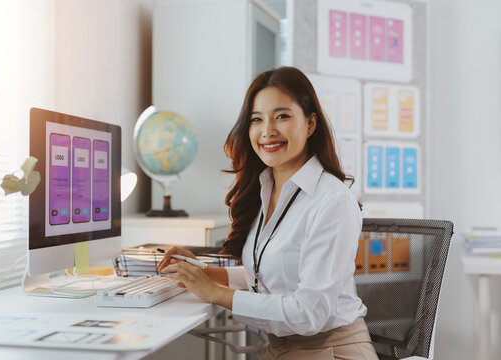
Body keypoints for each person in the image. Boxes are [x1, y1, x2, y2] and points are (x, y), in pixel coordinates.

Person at [157, 66, 378, 360]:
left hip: (331, 351)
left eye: (282, 116)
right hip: (278, 350)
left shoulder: (332, 200)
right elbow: (271, 274)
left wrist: (216, 294)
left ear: (310, 123)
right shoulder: (267, 189)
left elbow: (309, 313)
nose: (267, 131)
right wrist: (206, 273)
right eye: (257, 120)